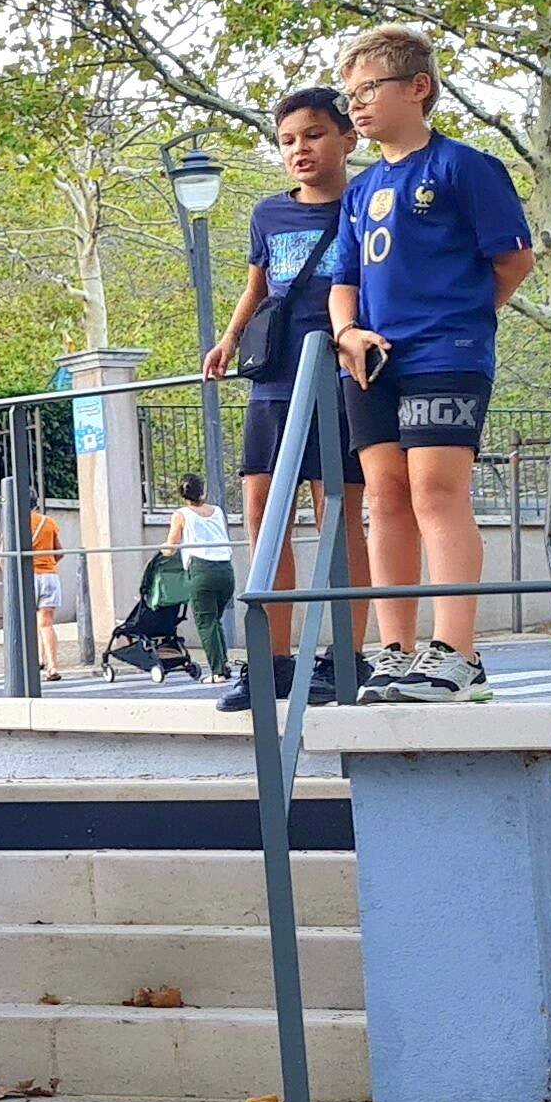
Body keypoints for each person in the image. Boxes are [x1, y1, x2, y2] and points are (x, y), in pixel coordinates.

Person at [326, 26, 534, 705]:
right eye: (349, 95)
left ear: (418, 88)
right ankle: (396, 652)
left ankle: (457, 653)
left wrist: (465, 317)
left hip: (446, 353)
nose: (356, 105)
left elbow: (514, 260)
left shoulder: (465, 167)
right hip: (371, 361)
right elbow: (344, 280)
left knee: (435, 493)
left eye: (369, 90)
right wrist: (347, 332)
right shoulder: (360, 190)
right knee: (383, 498)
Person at [202, 86, 367, 711]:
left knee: (337, 518)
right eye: (288, 140)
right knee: (263, 515)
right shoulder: (268, 214)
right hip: (273, 380)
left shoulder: (368, 203)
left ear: (348, 138)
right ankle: (268, 661)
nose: (300, 149)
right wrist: (229, 338)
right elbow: (258, 286)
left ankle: (346, 656)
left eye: (314, 135)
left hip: (341, 379)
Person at [169, 475, 237, 681]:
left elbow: (170, 547)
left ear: (182, 495)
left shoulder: (181, 514)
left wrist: (164, 550)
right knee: (215, 621)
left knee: (206, 622)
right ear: (203, 490)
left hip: (202, 570)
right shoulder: (217, 511)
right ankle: (223, 664)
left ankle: (218, 672)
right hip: (225, 571)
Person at [27, 506, 69, 681]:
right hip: (49, 577)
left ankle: (36, 660)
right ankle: (51, 667)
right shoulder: (48, 522)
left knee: (29, 622)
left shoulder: (15, 522)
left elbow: (3, 555)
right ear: (36, 505)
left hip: (27, 576)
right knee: (46, 623)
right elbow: (59, 551)